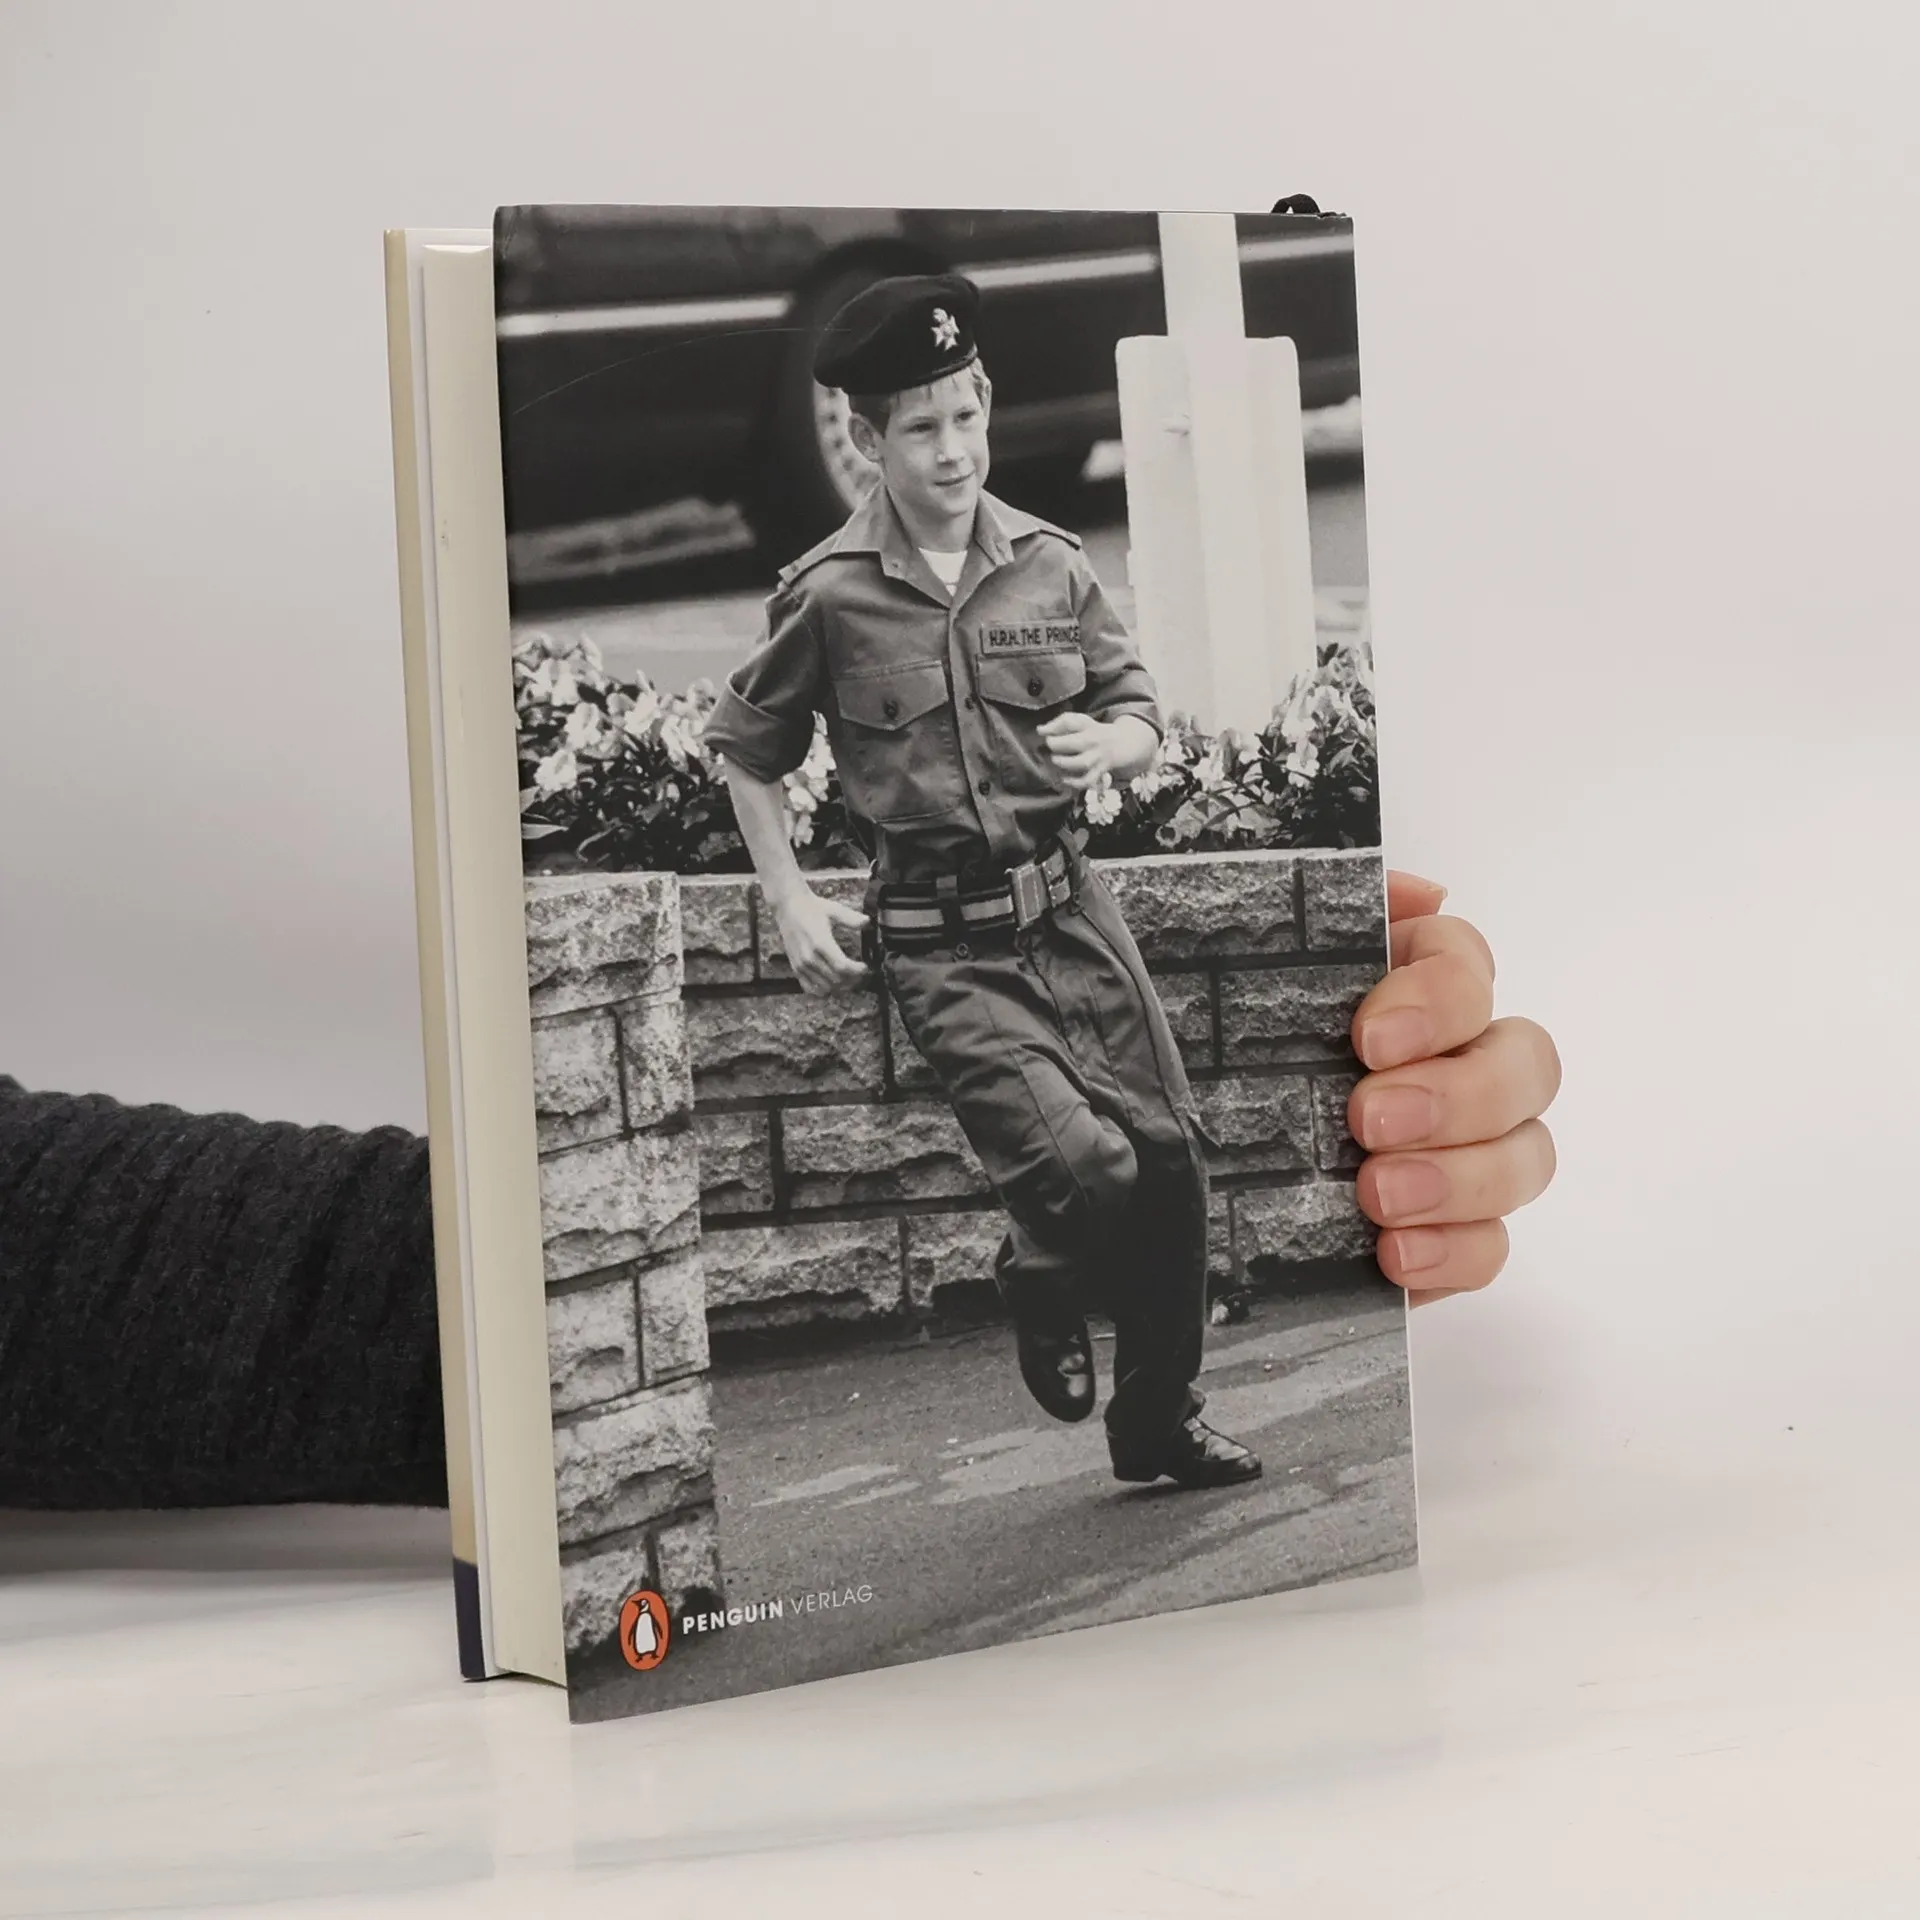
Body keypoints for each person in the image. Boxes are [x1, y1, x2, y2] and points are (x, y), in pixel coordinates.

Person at [703, 272, 1558, 1493]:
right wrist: (789, 896)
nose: (954, 450)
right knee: (1086, 1168)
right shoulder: (829, 595)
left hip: (1074, 915)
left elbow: (1138, 711)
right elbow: (746, 750)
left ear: (987, 403)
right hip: (945, 944)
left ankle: (1158, 1418)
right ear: (865, 437)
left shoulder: (1050, 566)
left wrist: (1115, 744)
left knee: (1167, 1163)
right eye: (922, 428)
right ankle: (1040, 1272)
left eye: (967, 416)